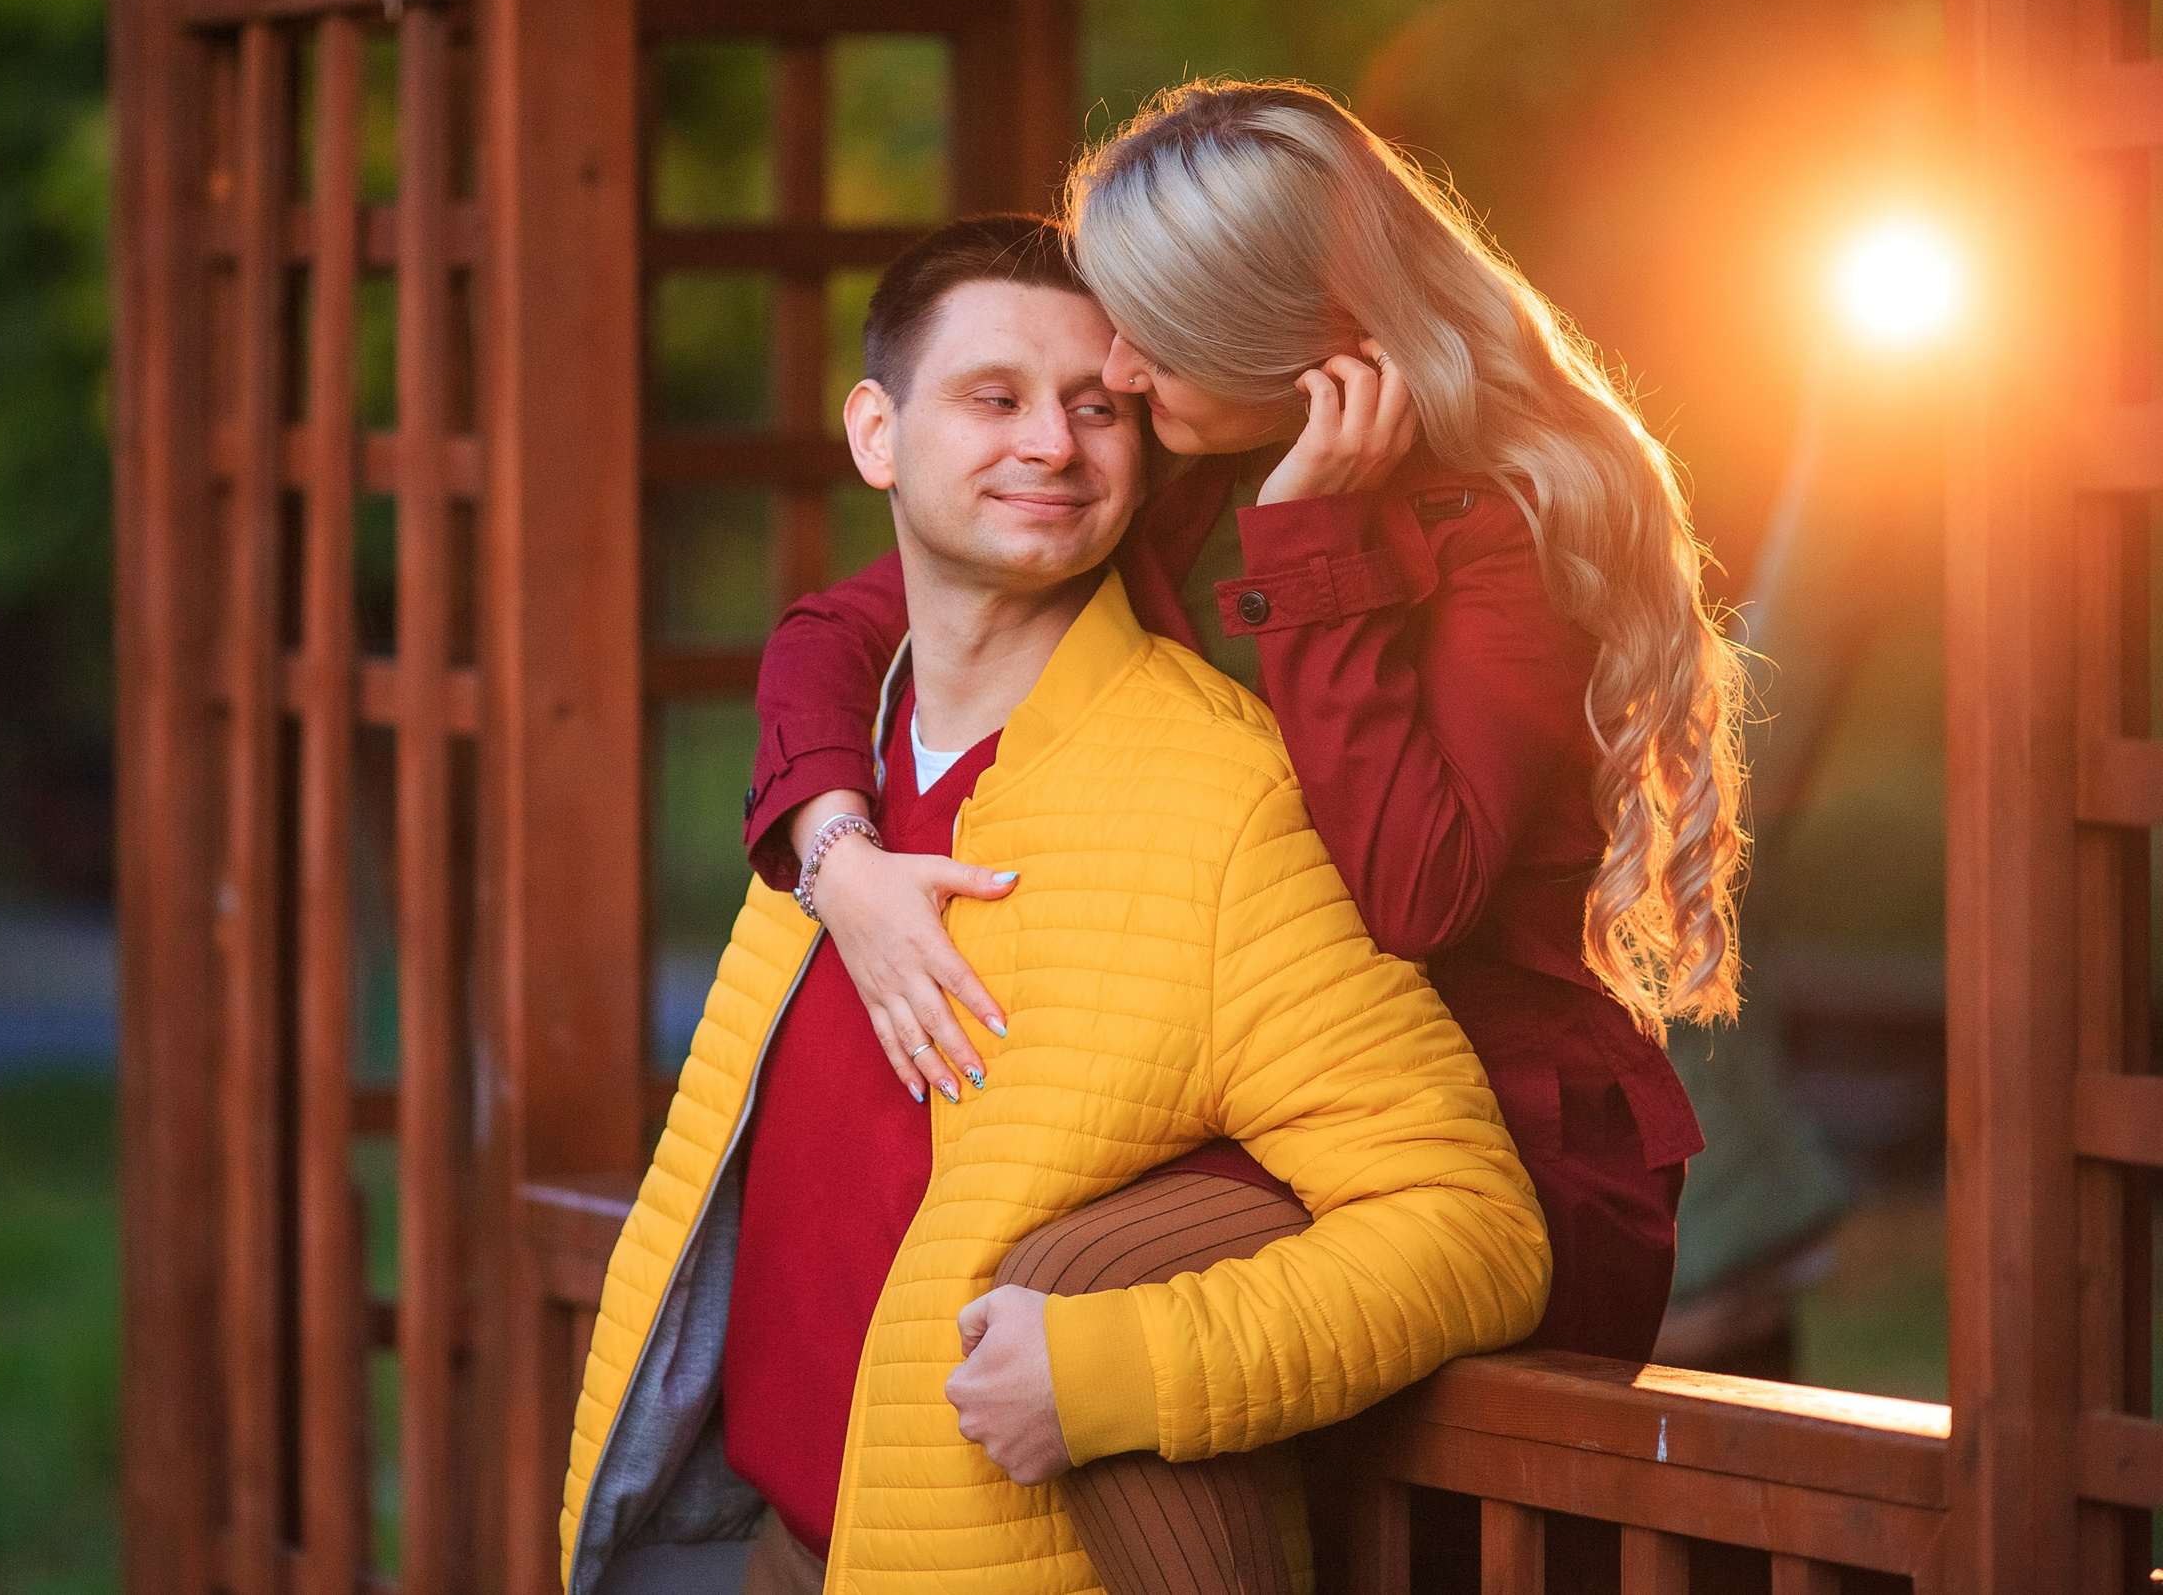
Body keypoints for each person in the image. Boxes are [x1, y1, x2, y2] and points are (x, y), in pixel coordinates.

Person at [560, 216, 1548, 1595]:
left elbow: (1467, 1224)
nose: (1053, 444)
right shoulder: (829, 795)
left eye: (1098, 407)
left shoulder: (1223, 794)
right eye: (993, 397)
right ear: (875, 434)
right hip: (775, 1551)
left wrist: (1118, 1369)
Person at [743, 80, 1745, 1366]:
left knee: (1059, 1305)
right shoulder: (1178, 468)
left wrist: (1312, 540)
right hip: (1227, 1106)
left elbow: (1416, 894)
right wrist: (843, 863)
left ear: (1291, 345)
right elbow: (844, 629)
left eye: (1152, 335)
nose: (1112, 370)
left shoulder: (1508, 527)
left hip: (1485, 1144)